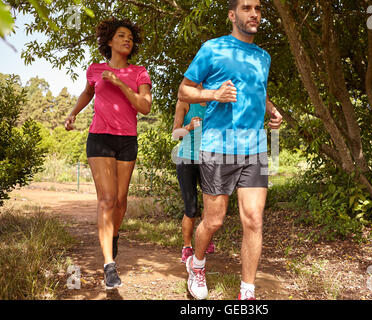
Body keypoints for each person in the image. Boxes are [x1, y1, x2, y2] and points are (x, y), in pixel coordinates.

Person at [177, 0, 283, 300]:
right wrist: (213, 94)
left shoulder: (263, 57)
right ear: (232, 14)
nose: (254, 14)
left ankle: (247, 292)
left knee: (253, 219)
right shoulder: (212, 48)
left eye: (259, 9)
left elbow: (258, 93)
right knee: (214, 221)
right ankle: (196, 265)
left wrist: (272, 111)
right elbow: (184, 90)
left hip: (255, 148)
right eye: (247, 8)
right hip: (218, 146)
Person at [64, 18, 152, 289]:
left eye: (131, 37)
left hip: (127, 140)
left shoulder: (139, 73)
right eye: (122, 36)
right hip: (99, 138)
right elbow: (87, 92)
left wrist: (120, 83)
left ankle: (112, 236)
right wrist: (73, 112)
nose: (128, 40)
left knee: (121, 200)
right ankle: (109, 264)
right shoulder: (95, 69)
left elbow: (145, 107)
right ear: (110, 41)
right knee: (107, 198)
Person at [172, 86, 215, 263]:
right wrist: (189, 127)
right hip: (186, 159)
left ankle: (206, 240)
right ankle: (187, 247)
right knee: (191, 208)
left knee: (211, 205)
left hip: (209, 158)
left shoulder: (214, 102)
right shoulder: (184, 102)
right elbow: (176, 133)